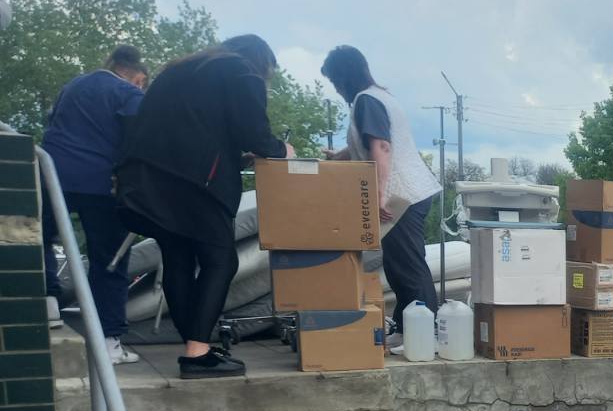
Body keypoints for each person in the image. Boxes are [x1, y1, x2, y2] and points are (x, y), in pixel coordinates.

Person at [115, 35, 291, 379]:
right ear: (260, 61)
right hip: (196, 185)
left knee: (177, 259)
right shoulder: (242, 71)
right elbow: (255, 134)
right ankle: (197, 353)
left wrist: (235, 156)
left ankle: (196, 348)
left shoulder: (178, 71)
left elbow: (194, 129)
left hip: (147, 181)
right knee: (221, 260)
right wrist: (283, 150)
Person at [319, 46, 442, 344]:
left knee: (407, 264)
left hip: (400, 195)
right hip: (409, 191)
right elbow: (372, 141)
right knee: (401, 262)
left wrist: (378, 197)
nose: (336, 89)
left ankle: (424, 332)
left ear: (344, 77)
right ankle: (408, 327)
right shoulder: (380, 96)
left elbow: (382, 147)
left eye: (335, 81)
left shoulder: (366, 100)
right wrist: (340, 156)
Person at [40, 45, 149, 363]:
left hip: (52, 175)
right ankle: (108, 341)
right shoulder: (128, 93)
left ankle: (48, 300)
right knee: (110, 259)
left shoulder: (74, 85)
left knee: (40, 237)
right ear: (136, 76)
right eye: (142, 83)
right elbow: (137, 138)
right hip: (102, 183)